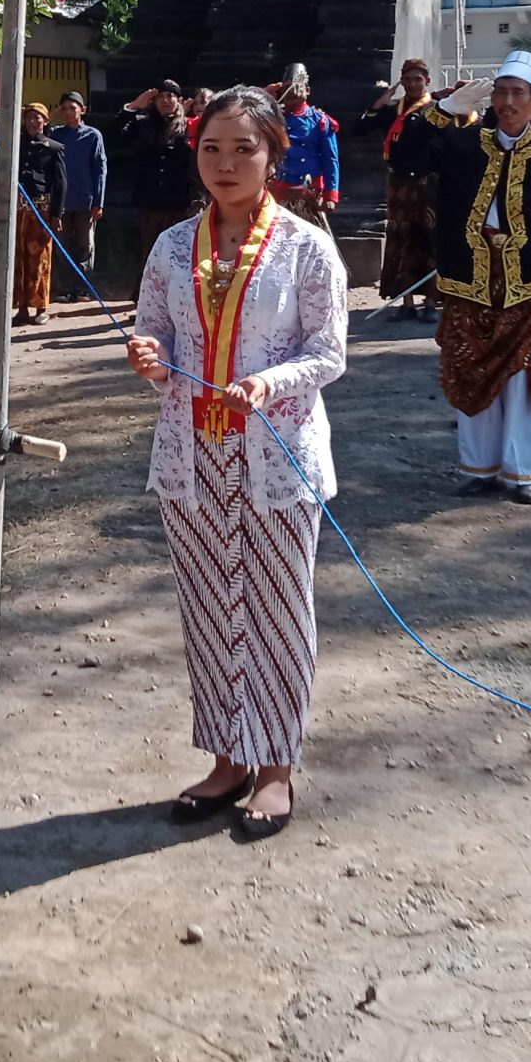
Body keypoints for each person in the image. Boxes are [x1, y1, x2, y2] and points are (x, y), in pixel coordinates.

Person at [127, 84, 349, 840]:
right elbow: (154, 335)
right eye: (211, 147)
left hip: (275, 457)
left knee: (279, 610)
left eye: (243, 148)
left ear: (273, 154)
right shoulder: (169, 247)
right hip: (192, 456)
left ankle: (277, 768)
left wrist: (270, 382)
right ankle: (227, 759)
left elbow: (328, 352)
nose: (225, 164)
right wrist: (150, 359)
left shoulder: (306, 248)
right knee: (210, 608)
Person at [394, 51, 531, 503]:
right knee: (470, 369)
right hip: (469, 278)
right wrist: (441, 112)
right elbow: (404, 156)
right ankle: (478, 466)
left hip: (530, 281)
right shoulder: (463, 145)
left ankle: (523, 472)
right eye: (501, 92)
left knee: (524, 376)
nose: (509, 101)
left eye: (519, 93)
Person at [357, 58, 441, 318]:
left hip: (428, 185)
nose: (413, 84)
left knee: (429, 239)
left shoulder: (437, 110)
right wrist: (378, 105)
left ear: (427, 81)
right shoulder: (391, 111)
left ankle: (429, 302)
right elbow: (360, 129)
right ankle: (406, 302)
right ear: (401, 82)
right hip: (399, 184)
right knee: (401, 239)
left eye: (418, 79)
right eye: (408, 79)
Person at [120, 80, 202, 277]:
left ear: (179, 100)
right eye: (161, 97)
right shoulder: (142, 124)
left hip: (180, 201)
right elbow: (116, 135)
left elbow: (198, 163)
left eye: (170, 96)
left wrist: (199, 197)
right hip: (150, 200)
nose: (166, 100)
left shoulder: (189, 126)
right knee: (150, 250)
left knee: (180, 253)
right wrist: (132, 107)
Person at [11, 101, 66, 325]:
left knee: (40, 258)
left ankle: (41, 306)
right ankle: (21, 306)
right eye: (29, 118)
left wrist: (56, 214)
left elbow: (61, 183)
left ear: (45, 121)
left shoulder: (54, 148)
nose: (33, 122)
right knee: (19, 257)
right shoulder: (15, 145)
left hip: (41, 208)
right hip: (18, 207)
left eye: (37, 118)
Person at [50, 91, 109, 297]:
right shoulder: (56, 135)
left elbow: (100, 169)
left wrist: (98, 201)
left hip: (86, 198)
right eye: (64, 108)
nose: (68, 112)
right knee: (62, 243)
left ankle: (83, 287)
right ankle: (64, 287)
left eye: (72, 108)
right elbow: (37, 137)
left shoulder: (93, 135)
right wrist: (51, 116)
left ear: (82, 110)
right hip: (62, 200)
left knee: (86, 244)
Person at [272, 63, 341, 228]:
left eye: (298, 87)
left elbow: (330, 159)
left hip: (308, 192)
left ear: (307, 91)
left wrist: (330, 194)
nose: (293, 92)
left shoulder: (320, 121)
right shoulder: (272, 118)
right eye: (288, 88)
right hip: (277, 192)